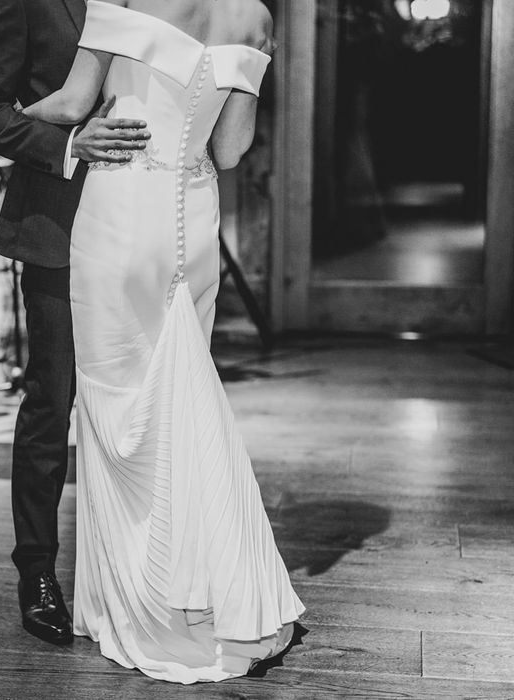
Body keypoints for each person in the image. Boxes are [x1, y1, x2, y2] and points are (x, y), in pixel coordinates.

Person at [19, 0, 304, 683]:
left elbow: (73, 101)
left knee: (117, 409)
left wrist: (8, 120)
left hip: (121, 208)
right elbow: (230, 150)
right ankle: (197, 588)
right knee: (178, 407)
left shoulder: (127, 0)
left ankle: (138, 601)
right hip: (194, 218)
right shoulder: (258, 18)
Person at [0, 0, 151, 646]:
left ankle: (140, 567)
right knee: (53, 399)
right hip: (58, 221)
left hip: (145, 224)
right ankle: (38, 571)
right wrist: (70, 142)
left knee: (145, 403)